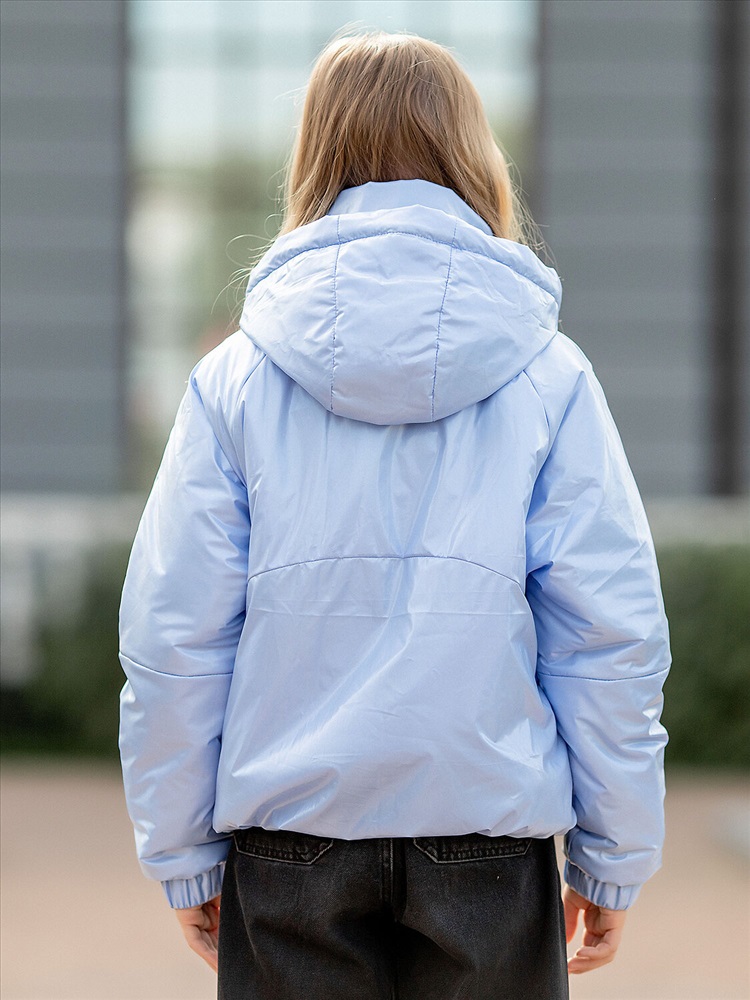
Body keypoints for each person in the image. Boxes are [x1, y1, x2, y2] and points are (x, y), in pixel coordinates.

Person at [118, 30, 671, 1000]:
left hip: (289, 839)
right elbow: (608, 632)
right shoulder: (550, 375)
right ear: (471, 152)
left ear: (315, 152)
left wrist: (181, 852)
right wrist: (614, 852)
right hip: (487, 838)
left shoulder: (234, 380)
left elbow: (176, 634)